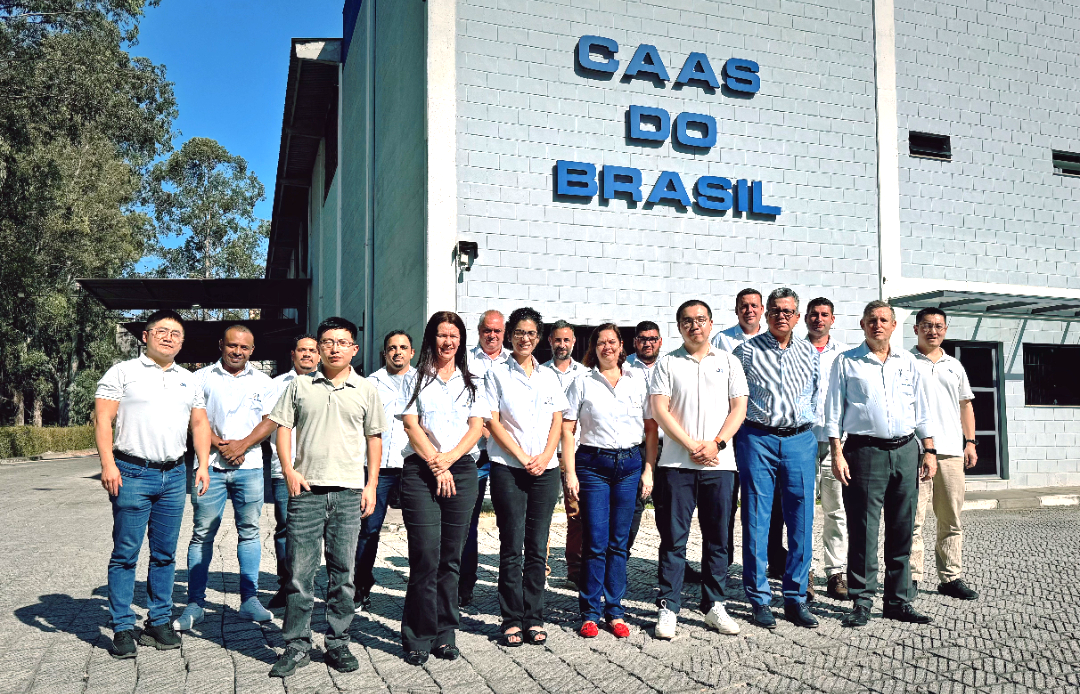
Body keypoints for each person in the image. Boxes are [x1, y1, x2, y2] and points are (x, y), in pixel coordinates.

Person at [267, 317, 388, 678]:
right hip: (306, 491)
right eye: (328, 342)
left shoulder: (366, 389)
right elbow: (283, 428)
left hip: (348, 493)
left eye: (342, 342)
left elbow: (374, 438)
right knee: (299, 574)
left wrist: (370, 484)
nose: (335, 348)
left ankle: (337, 642)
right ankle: (297, 644)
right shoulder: (299, 386)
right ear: (318, 348)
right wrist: (289, 469)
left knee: (343, 574)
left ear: (354, 349)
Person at [94, 309, 211, 659]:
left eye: (176, 333)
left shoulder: (189, 380)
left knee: (164, 554)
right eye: (161, 331)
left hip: (174, 476)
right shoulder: (123, 372)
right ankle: (122, 627)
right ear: (145, 336)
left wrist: (203, 464)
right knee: (125, 554)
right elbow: (103, 420)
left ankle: (158, 622)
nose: (168, 337)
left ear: (182, 342)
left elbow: (199, 424)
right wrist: (108, 464)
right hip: (131, 473)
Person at [827, 300, 937, 628]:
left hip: (906, 451)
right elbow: (833, 410)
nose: (878, 325)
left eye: (884, 320)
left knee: (903, 529)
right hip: (864, 452)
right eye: (872, 320)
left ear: (893, 326)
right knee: (863, 529)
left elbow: (921, 408)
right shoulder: (846, 361)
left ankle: (898, 601)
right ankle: (862, 601)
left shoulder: (907, 361)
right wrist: (836, 453)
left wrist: (929, 449)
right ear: (862, 325)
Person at [649, 300, 748, 639]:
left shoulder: (729, 361)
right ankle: (669, 606)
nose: (695, 326)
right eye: (688, 321)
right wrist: (692, 445)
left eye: (701, 320)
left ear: (711, 323)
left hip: (720, 465)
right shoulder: (668, 362)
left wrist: (717, 444)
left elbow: (739, 408)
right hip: (677, 464)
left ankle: (714, 605)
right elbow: (659, 410)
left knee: (718, 539)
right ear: (679, 327)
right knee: (673, 540)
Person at [174, 325, 279, 632]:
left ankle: (249, 600)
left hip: (250, 468)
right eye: (232, 345)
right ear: (221, 344)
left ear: (252, 350)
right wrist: (221, 445)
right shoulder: (201, 378)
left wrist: (242, 445)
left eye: (244, 347)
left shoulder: (264, 382)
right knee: (202, 534)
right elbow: (194, 418)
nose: (237, 351)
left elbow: (271, 420)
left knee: (250, 532)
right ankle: (195, 603)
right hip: (210, 467)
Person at [398, 312, 487, 665]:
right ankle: (418, 636)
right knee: (425, 555)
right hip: (421, 469)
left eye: (454, 335)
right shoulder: (415, 378)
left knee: (451, 557)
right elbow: (411, 425)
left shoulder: (473, 381)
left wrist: (449, 460)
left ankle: (445, 634)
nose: (447, 341)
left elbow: (476, 427)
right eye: (441, 335)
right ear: (431, 339)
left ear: (461, 341)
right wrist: (437, 463)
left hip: (460, 468)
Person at [562, 324, 659, 638]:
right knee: (595, 541)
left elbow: (651, 430)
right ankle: (590, 612)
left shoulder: (638, 380)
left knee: (619, 543)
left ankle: (615, 611)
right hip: (593, 466)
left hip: (629, 466)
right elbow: (567, 430)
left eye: (612, 341)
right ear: (594, 348)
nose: (607, 347)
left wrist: (648, 470)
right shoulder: (582, 382)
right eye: (601, 342)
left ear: (621, 346)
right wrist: (570, 472)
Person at [732, 288, 821, 629]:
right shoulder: (746, 351)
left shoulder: (809, 352)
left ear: (797, 317)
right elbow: (735, 397)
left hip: (800, 440)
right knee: (756, 517)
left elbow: (815, 393)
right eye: (775, 310)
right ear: (766, 315)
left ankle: (796, 598)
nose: (781, 316)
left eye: (788, 311)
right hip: (758, 439)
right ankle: (759, 598)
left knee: (801, 519)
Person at [483, 307, 567, 647]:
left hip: (545, 471)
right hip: (508, 468)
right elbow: (492, 421)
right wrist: (521, 457)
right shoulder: (496, 373)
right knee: (511, 545)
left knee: (536, 546)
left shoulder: (549, 376)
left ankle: (534, 617)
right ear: (510, 335)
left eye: (531, 333)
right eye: (519, 332)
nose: (524, 338)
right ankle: (511, 619)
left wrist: (546, 457)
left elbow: (558, 419)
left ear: (539, 337)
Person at [908, 308, 979, 600]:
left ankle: (950, 577)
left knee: (951, 518)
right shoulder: (905, 362)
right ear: (916, 329)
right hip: (915, 452)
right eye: (927, 325)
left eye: (938, 326)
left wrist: (970, 442)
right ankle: (910, 578)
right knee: (913, 520)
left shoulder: (955, 366)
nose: (933, 331)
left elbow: (965, 405)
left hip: (950, 453)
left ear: (945, 330)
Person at [711, 289, 778, 578]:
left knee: (766, 500)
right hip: (729, 429)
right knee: (726, 498)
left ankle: (773, 558)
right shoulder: (722, 340)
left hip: (761, 430)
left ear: (762, 309)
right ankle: (722, 561)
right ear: (736, 310)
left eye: (754, 305)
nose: (749, 310)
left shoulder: (774, 338)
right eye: (743, 306)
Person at [354, 330, 415, 615]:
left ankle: (418, 593)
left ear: (411, 352)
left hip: (413, 466)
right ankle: (359, 588)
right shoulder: (370, 383)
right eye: (392, 348)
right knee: (368, 529)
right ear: (385, 353)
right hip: (378, 468)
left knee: (419, 532)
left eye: (403, 347)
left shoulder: (422, 380)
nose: (397, 352)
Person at [459, 309, 509, 606]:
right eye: (487, 330)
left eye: (497, 331)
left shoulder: (515, 362)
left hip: (506, 454)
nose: (492, 335)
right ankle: (464, 586)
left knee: (510, 523)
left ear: (504, 333)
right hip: (475, 453)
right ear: (479, 331)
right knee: (467, 522)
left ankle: (510, 589)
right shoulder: (464, 361)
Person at [266, 334, 319, 609]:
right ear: (293, 354)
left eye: (312, 350)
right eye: (302, 350)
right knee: (286, 528)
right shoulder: (276, 385)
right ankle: (287, 586)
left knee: (321, 531)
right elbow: (268, 424)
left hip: (321, 469)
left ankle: (311, 584)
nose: (307, 354)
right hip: (284, 469)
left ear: (319, 355)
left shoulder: (329, 384)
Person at [804, 298, 850, 601]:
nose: (818, 319)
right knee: (803, 511)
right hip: (803, 440)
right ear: (805, 318)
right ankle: (804, 572)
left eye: (824, 315)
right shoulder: (795, 351)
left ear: (832, 319)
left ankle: (835, 573)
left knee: (836, 511)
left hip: (837, 443)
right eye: (814, 315)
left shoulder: (844, 355)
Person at [541, 319, 586, 587]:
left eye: (566, 340)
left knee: (577, 514)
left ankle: (575, 572)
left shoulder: (585, 374)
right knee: (543, 515)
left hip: (575, 453)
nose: (562, 344)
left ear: (573, 342)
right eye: (557, 340)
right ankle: (540, 572)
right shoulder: (539, 373)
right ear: (550, 341)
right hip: (545, 452)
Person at [625, 320, 662, 554]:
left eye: (652, 339)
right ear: (635, 341)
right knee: (632, 506)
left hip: (668, 445)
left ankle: (672, 566)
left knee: (668, 507)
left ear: (660, 341)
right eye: (643, 339)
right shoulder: (624, 367)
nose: (648, 343)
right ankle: (620, 560)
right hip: (636, 446)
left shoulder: (669, 365)